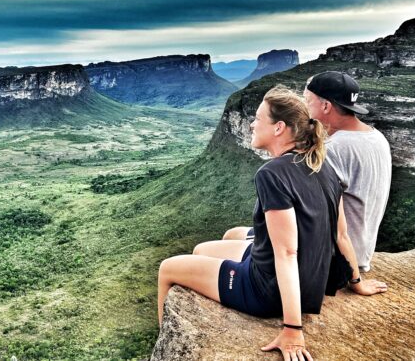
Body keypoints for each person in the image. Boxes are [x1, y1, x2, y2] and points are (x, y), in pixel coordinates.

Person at [157, 86, 387, 360]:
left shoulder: (272, 174)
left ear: (279, 128)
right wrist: (356, 281)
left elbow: (287, 253)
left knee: (168, 268)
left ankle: (161, 345)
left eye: (257, 118)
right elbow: (341, 234)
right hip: (313, 281)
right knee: (202, 249)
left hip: (266, 290)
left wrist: (293, 329)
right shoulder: (321, 163)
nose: (252, 123)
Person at [223, 71, 392, 273]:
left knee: (227, 240)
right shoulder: (376, 137)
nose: (304, 107)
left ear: (326, 106)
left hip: (330, 254)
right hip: (360, 248)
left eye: (307, 100)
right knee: (234, 235)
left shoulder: (332, 149)